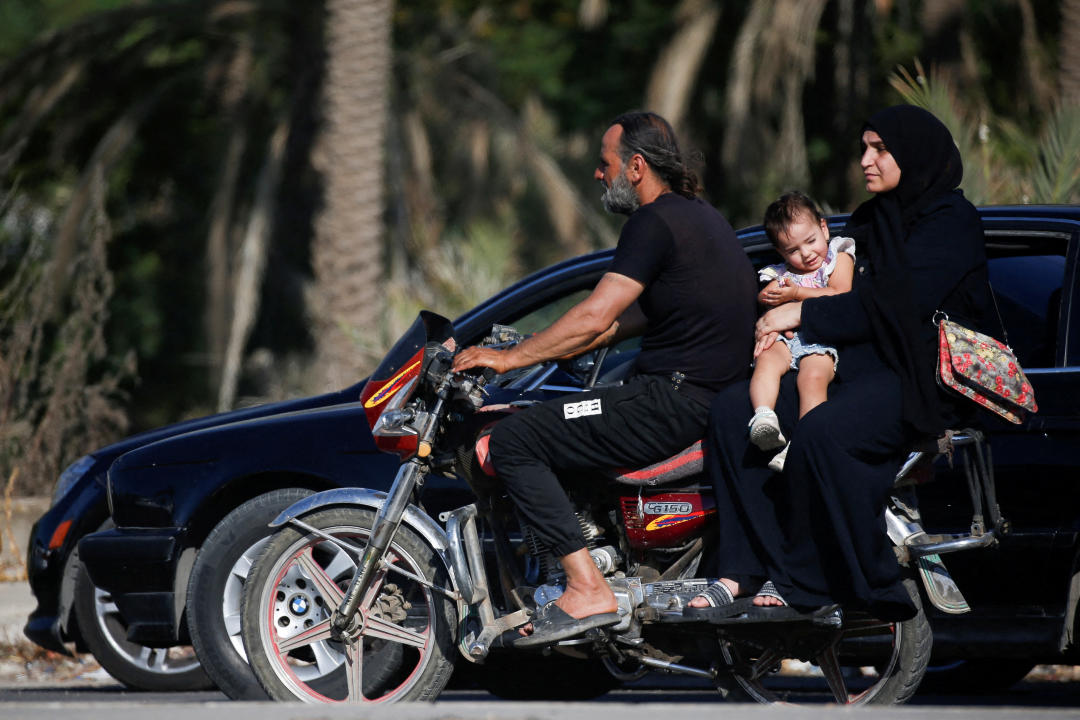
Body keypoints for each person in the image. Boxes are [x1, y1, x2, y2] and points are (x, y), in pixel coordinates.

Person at [452, 111, 757, 646]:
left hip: (669, 399)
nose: (598, 174)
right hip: (697, 396)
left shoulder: (653, 221)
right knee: (565, 428)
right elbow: (621, 323)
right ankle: (600, 566)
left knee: (515, 439)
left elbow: (596, 315)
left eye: (605, 163)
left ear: (636, 167)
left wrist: (507, 360)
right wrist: (540, 346)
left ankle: (586, 587)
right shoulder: (701, 217)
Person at [686, 105, 993, 619]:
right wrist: (775, 320)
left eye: (880, 149)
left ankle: (812, 580)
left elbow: (896, 307)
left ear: (913, 155)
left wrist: (798, 313)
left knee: (821, 431)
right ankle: (743, 567)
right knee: (733, 410)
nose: (865, 161)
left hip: (920, 377)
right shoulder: (872, 222)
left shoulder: (951, 223)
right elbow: (844, 302)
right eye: (863, 148)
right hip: (860, 364)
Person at [748, 192, 855, 472]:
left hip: (820, 341)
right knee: (766, 362)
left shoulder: (838, 258)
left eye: (810, 241)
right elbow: (763, 296)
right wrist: (769, 298)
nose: (806, 254)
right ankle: (763, 416)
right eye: (793, 251)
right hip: (788, 339)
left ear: (823, 227)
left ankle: (803, 440)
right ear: (780, 253)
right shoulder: (780, 272)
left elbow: (840, 294)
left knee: (812, 378)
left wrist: (796, 292)